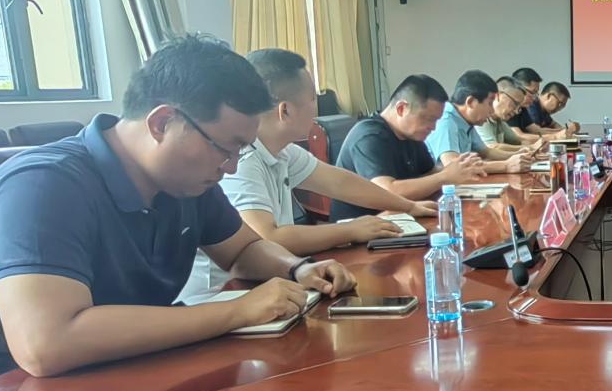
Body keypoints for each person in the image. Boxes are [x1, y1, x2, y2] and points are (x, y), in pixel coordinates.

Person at [0, 35, 356, 388]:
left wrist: (297, 269)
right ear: (163, 122)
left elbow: (242, 250)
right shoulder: (43, 187)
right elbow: (46, 345)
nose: (232, 167)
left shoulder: (184, 181)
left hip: (125, 375)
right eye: (225, 148)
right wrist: (236, 311)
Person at [180, 49, 440, 299]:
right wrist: (349, 230)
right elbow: (266, 237)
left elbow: (340, 182)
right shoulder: (241, 159)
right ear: (285, 110)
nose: (317, 109)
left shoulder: (283, 151)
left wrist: (408, 206)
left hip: (269, 281)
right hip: (223, 294)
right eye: (313, 99)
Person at [332, 74, 485, 221]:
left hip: (403, 216)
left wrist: (460, 168)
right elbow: (387, 191)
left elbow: (429, 173)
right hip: (361, 228)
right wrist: (444, 176)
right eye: (428, 119)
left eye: (436, 121)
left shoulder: (412, 135)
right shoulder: (369, 136)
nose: (433, 127)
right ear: (401, 108)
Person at [427, 70, 534, 174]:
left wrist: (517, 155)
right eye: (490, 103)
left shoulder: (466, 120)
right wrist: (506, 165)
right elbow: (453, 165)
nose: (491, 110)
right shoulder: (446, 120)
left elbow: (486, 152)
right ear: (471, 102)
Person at [477, 76, 546, 156]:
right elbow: (492, 147)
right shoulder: (481, 117)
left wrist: (532, 146)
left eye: (519, 107)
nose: (516, 111)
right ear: (497, 96)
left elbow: (518, 141)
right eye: (515, 104)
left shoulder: (500, 121)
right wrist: (530, 147)